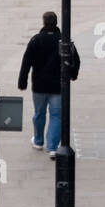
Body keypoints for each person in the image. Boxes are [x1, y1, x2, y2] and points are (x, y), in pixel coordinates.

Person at [17, 10, 80, 158]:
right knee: (56, 115)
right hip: (58, 86)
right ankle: (52, 147)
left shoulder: (36, 40)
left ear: (44, 22)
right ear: (56, 22)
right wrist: (73, 74)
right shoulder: (63, 40)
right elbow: (75, 59)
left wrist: (22, 81)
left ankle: (38, 141)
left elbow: (26, 61)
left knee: (39, 114)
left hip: (39, 86)